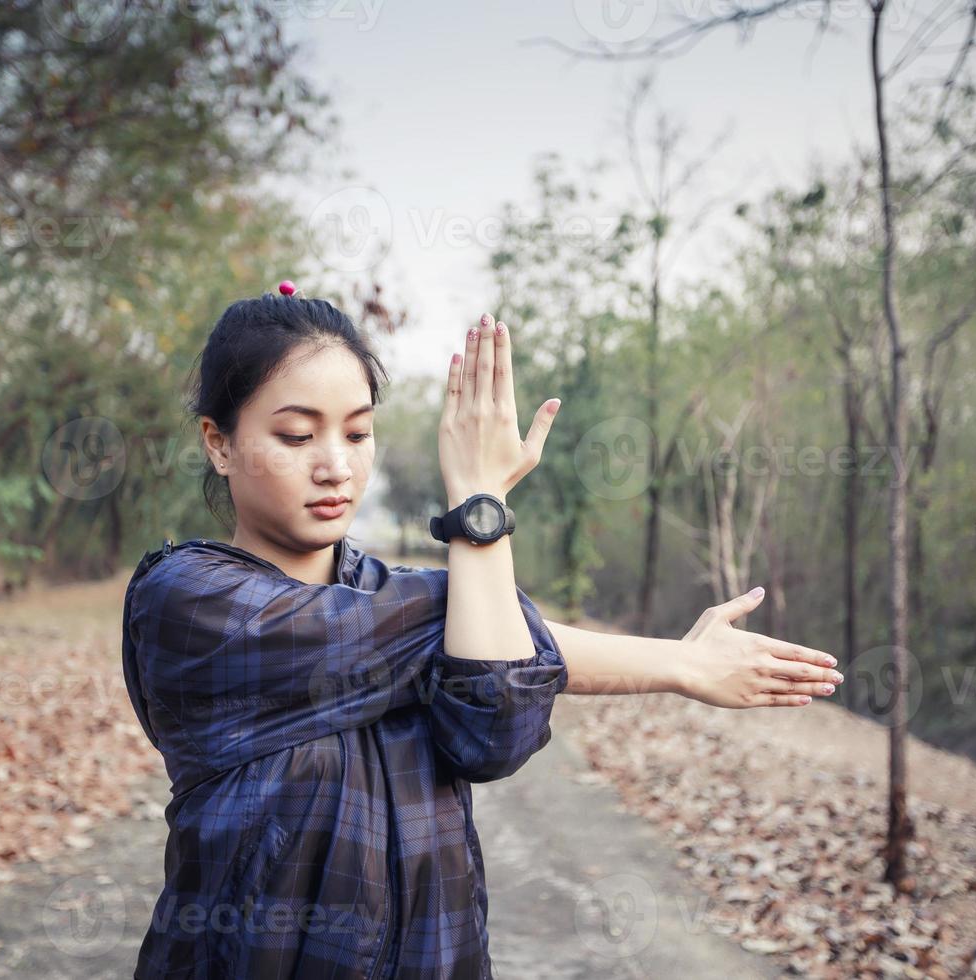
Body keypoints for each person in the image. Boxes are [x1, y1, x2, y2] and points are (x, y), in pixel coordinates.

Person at [121, 286, 842, 979]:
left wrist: (686, 663)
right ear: (218, 443)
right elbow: (476, 647)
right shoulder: (187, 601)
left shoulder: (395, 594)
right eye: (296, 434)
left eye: (359, 432)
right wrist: (481, 511)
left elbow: (493, 731)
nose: (336, 465)